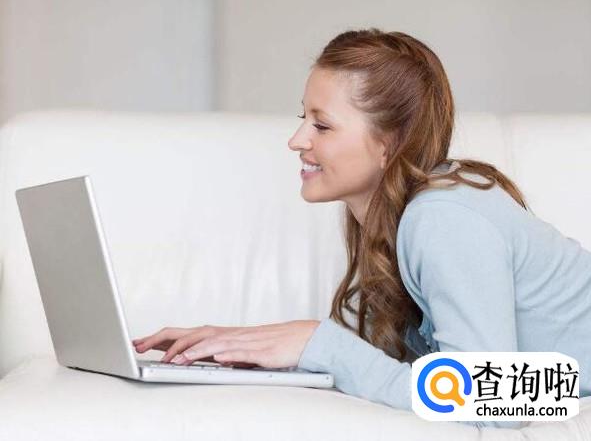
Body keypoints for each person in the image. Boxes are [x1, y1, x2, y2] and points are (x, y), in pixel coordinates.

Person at [132, 28, 591, 429]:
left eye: (322, 125)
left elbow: (493, 403)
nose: (296, 140)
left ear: (389, 144)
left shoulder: (444, 218)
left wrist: (320, 344)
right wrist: (240, 346)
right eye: (303, 119)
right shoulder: (391, 217)